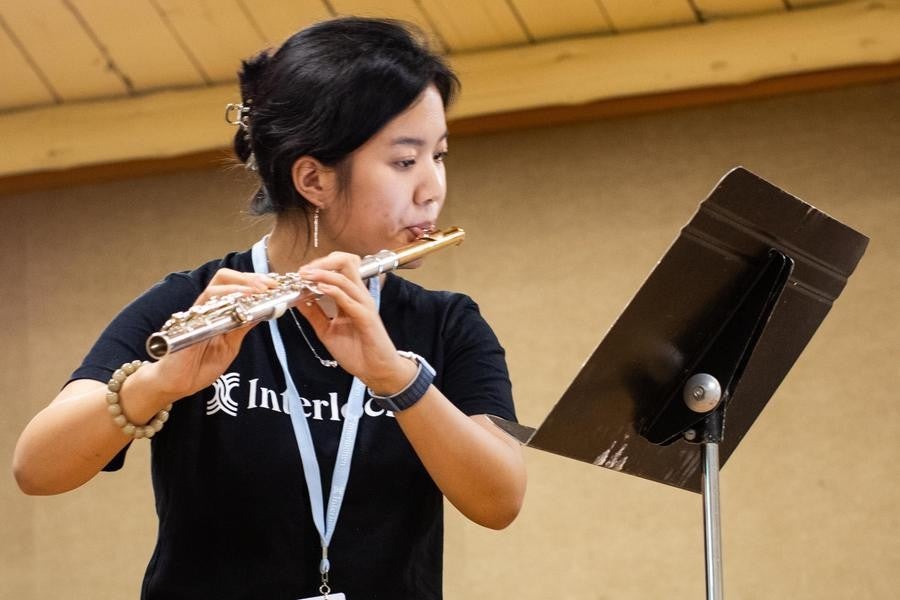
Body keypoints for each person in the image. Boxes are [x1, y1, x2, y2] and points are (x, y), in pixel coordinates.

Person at [13, 16, 526, 600]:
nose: (432, 187)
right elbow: (37, 468)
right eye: (405, 162)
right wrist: (157, 384)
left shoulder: (446, 324)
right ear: (313, 178)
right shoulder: (191, 302)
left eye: (439, 155)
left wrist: (395, 378)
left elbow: (500, 498)